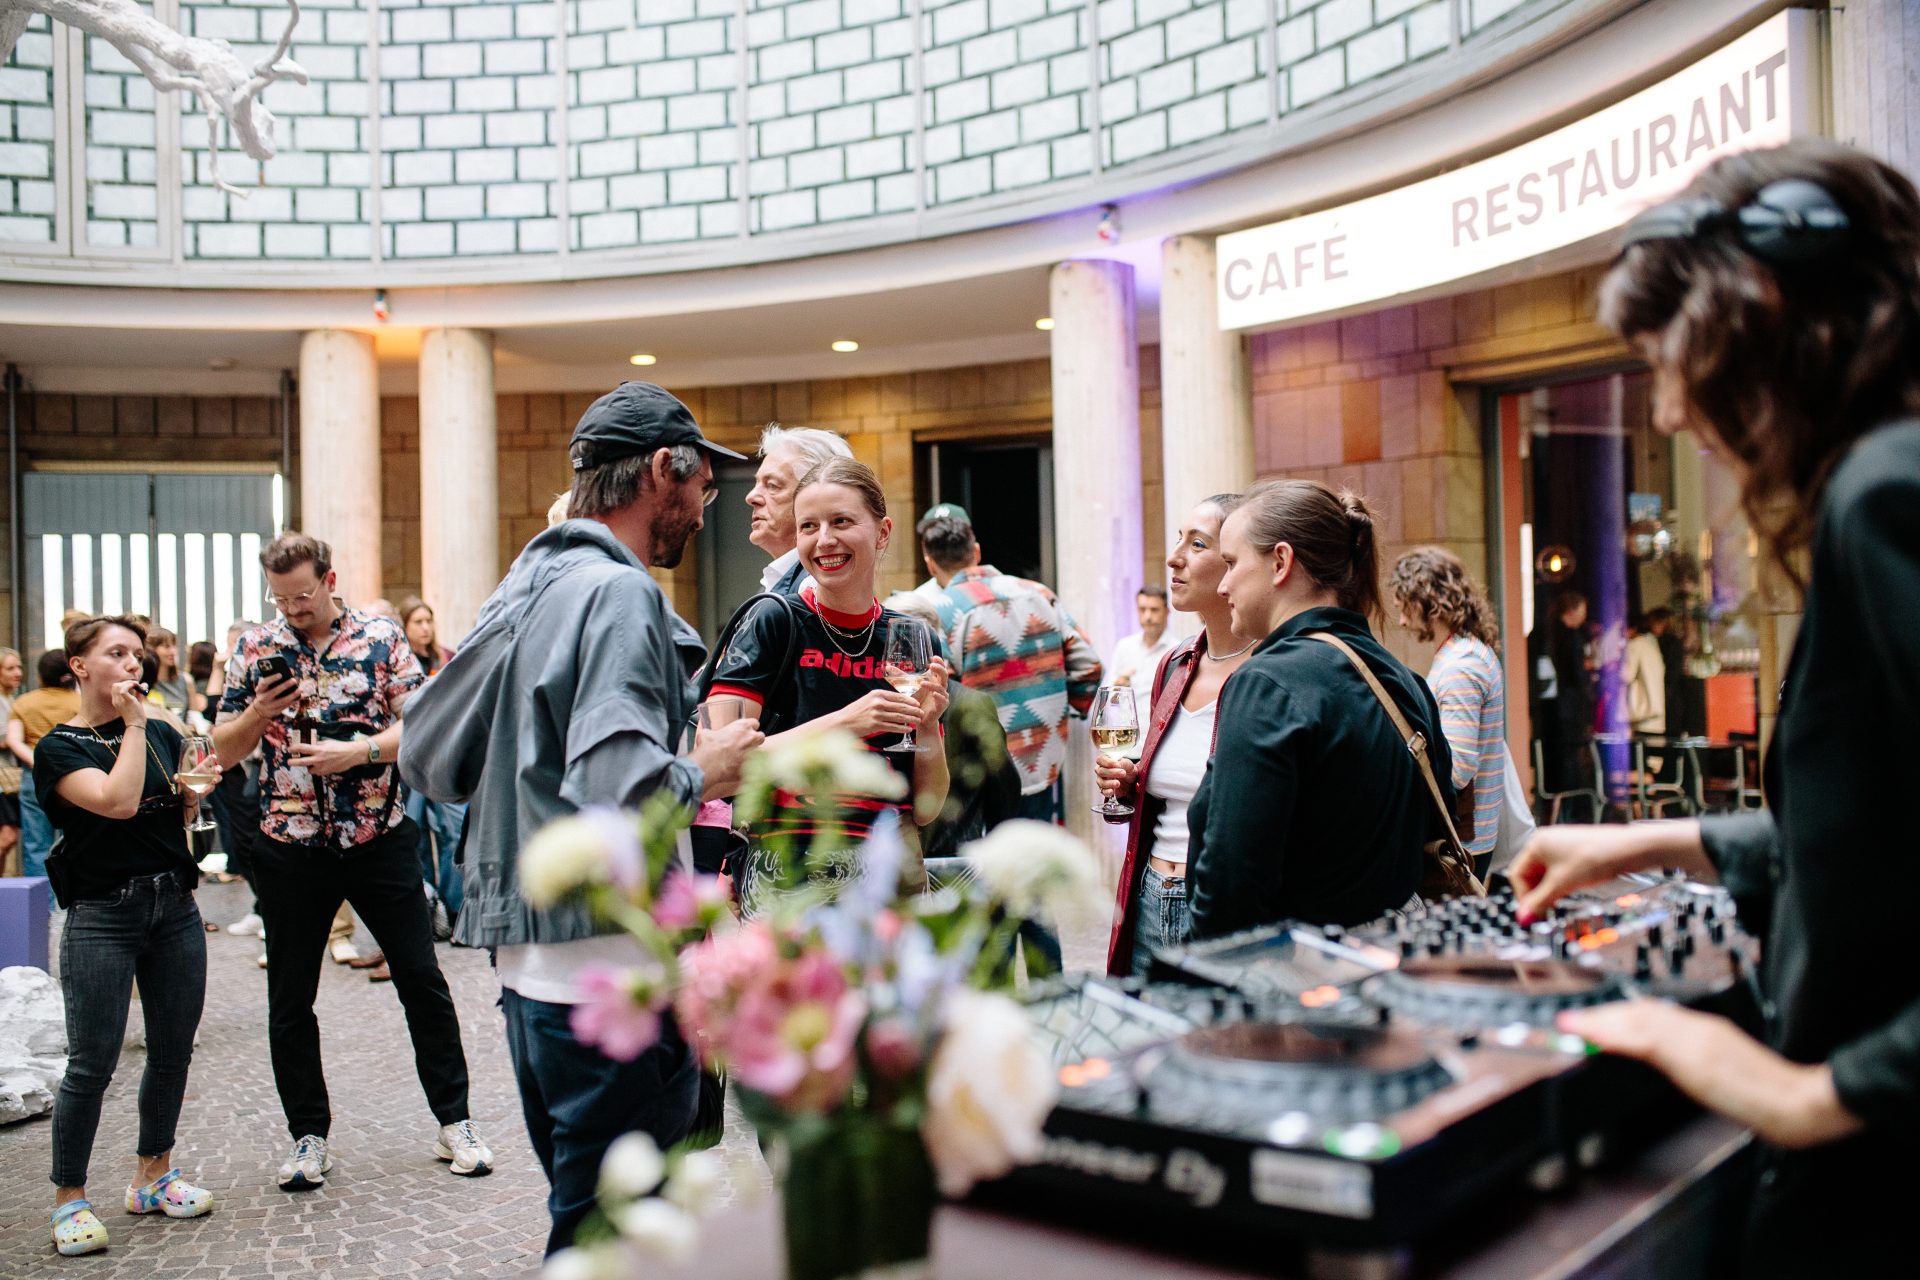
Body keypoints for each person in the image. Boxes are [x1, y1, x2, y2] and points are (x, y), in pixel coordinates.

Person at [1512, 140, 1920, 1278]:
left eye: (1670, 356)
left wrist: (1798, 1090)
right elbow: (1880, 834)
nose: (1673, 406)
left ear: (1765, 306)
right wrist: (1657, 839)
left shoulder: (1889, 488)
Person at [400, 381, 762, 1256]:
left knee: (590, 1225)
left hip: (534, 976)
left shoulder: (537, 578)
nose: (705, 507)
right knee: (610, 1246)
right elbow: (618, 788)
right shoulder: (618, 593)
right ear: (665, 469)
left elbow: (425, 754)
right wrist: (704, 767)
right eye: (703, 485)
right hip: (613, 975)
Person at [212, 532, 492, 1192]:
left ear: (330, 579)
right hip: (287, 843)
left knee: (422, 979)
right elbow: (222, 748)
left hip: (378, 836)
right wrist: (258, 711)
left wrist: (359, 753)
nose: (293, 609)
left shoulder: (380, 638)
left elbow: (421, 722)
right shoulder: (256, 647)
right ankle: (307, 1136)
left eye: (303, 595)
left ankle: (456, 1121)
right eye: (280, 599)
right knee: (289, 998)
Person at [1187, 480, 1452, 936]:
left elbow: (1233, 880)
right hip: (1390, 962)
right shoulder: (1408, 683)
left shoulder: (1266, 682)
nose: (1224, 583)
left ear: (1280, 562)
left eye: (1231, 562)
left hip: (1295, 977)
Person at [707, 458, 951, 915]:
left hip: (890, 879)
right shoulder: (773, 620)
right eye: (808, 526)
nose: (825, 540)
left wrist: (928, 726)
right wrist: (847, 724)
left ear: (882, 532)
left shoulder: (912, 640)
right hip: (789, 876)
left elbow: (926, 808)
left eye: (842, 521)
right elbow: (724, 769)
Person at [38, 616, 211, 1257]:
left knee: (172, 1049)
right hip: (102, 915)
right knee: (92, 1062)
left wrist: (196, 794)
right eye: (117, 654)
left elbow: (172, 812)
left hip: (174, 906)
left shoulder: (164, 731)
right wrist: (136, 726)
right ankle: (69, 1199)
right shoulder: (60, 747)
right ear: (79, 666)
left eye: (137, 655)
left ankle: (153, 1175)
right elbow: (116, 802)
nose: (134, 664)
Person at [921, 506, 1101, 970]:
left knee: (989, 890)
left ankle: (999, 994)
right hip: (1040, 766)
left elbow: (943, 695)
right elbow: (1089, 666)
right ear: (976, 548)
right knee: (1036, 887)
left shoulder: (939, 610)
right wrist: (1060, 715)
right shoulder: (1038, 593)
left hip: (982, 778)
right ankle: (1052, 991)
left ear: (928, 559)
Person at [1098, 495, 1253, 977]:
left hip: (1221, 906)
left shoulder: (1270, 672)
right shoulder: (1177, 663)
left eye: (1197, 543)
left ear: (1233, 564)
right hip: (1149, 894)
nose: (1174, 557)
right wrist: (1132, 780)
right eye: (1177, 540)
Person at [1389, 547, 1506, 879]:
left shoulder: (1461, 666)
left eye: (1404, 607)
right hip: (1473, 835)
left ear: (1427, 600)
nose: (1401, 621)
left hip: (1464, 840)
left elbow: (1459, 767)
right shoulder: (1466, 652)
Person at [884, 592, 1020, 864]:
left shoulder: (970, 704)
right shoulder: (875, 702)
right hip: (891, 864)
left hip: (952, 862)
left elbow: (1003, 790)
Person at [204, 620, 267, 955]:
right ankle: (261, 908)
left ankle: (269, 912)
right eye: (231, 644)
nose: (235, 651)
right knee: (239, 842)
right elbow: (212, 710)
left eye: (240, 643)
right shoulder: (232, 676)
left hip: (256, 765)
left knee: (256, 842)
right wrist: (220, 665)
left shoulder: (262, 676)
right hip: (230, 765)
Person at [745, 423, 854, 596]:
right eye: (757, 483)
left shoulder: (817, 590)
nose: (751, 497)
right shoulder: (779, 581)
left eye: (772, 485)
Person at [10, 648, 81, 899]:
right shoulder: (80, 703)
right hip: (75, 776)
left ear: (40, 676)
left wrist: (40, 763)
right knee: (75, 840)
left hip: (33, 777)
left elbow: (14, 741)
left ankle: (41, 906)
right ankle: (73, 900)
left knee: (35, 846)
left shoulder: (24, 702)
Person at [1109, 586, 1175, 689]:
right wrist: (1117, 687)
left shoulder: (1176, 651)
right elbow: (1108, 694)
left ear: (1167, 612)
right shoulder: (1124, 646)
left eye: (1154, 610)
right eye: (1142, 609)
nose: (1147, 616)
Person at [1622, 613, 1666, 735]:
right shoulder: (1651, 646)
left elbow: (1626, 675)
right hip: (1655, 708)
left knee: (1640, 750)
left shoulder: (1633, 646)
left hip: (1641, 709)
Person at [0, 646, 22, 877]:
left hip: (9, 778)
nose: (17, 673)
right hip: (2, 778)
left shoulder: (11, 699)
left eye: (19, 667)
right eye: (10, 668)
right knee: (7, 836)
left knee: (8, 837)